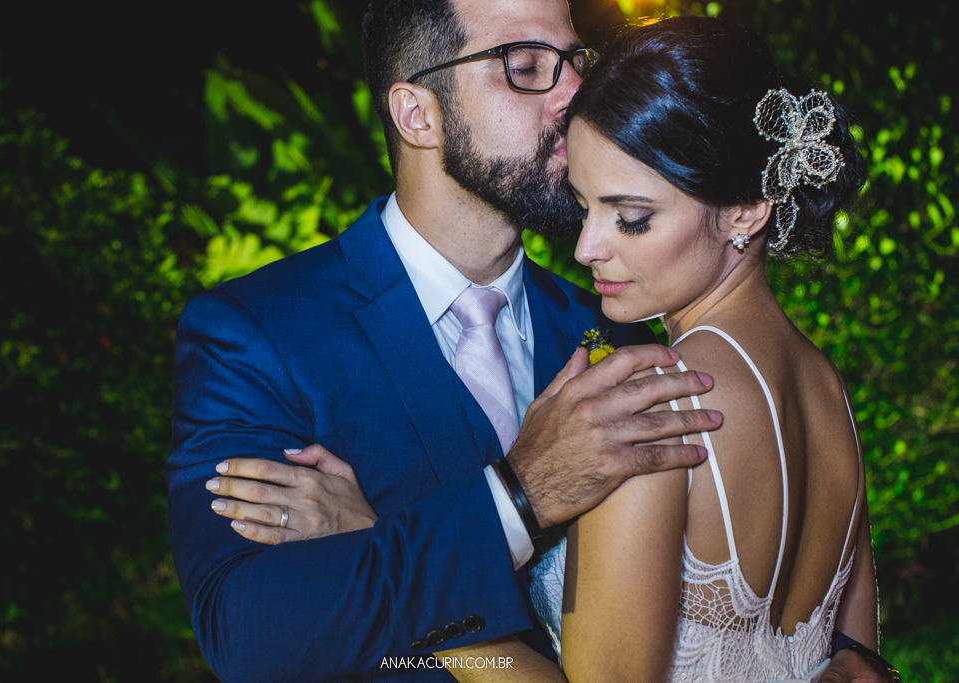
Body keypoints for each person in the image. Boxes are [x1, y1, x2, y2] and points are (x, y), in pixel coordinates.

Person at [170, 1, 892, 681]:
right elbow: (245, 633)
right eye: (524, 65)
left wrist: (849, 653)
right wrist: (515, 500)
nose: (575, 91)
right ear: (418, 114)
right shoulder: (257, 333)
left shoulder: (625, 342)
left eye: (576, 59)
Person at [425, 15, 889, 683]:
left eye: (631, 218)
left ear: (747, 209)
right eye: (584, 205)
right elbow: (859, 653)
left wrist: (424, 604)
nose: (587, 247)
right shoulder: (827, 388)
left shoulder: (649, 411)